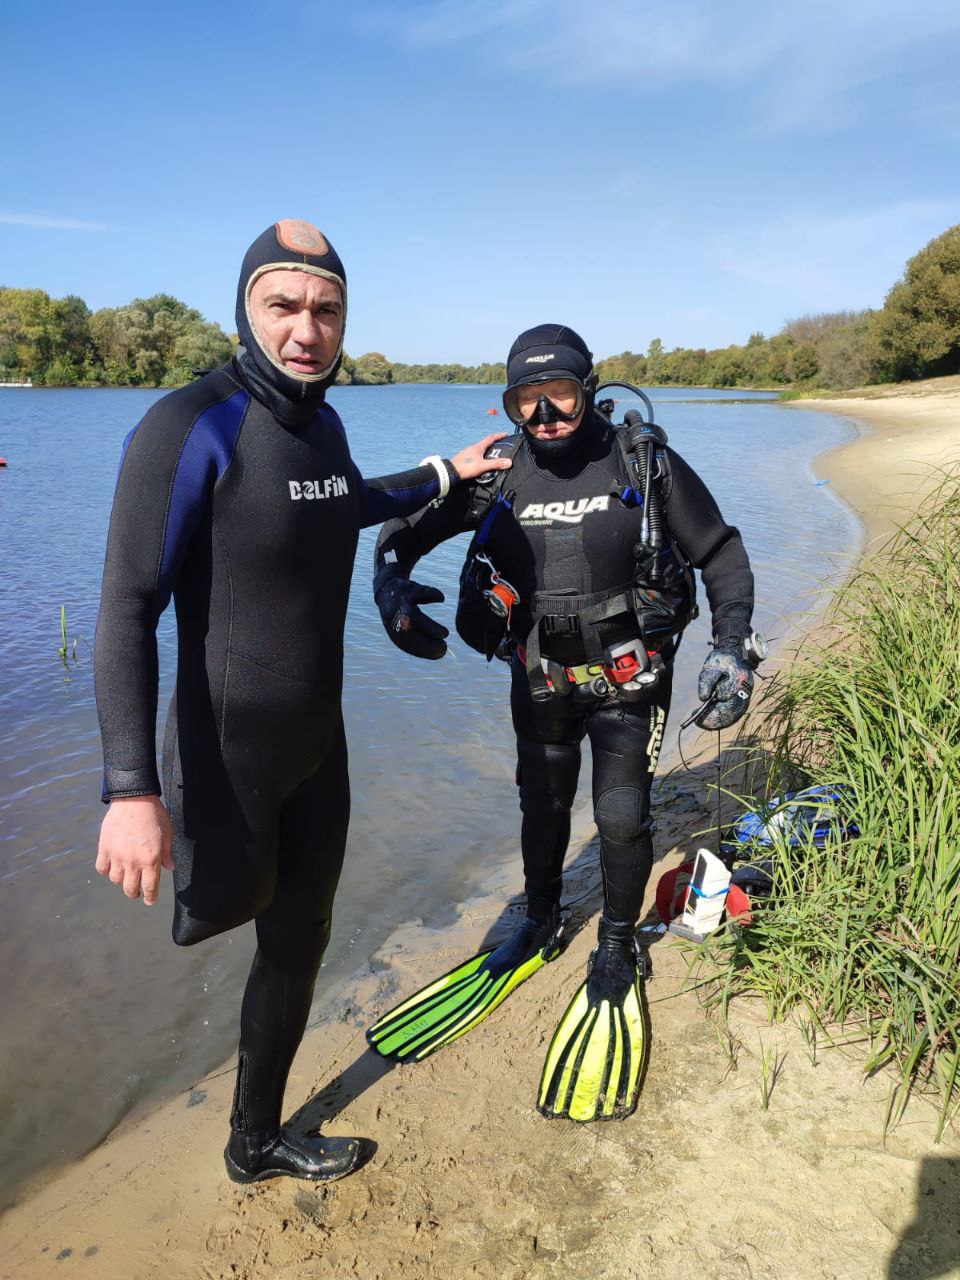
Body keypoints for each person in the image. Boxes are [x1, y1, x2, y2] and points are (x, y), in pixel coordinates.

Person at [93, 219, 510, 1183]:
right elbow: (124, 610)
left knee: (300, 938)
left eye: (326, 309)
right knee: (235, 926)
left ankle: (255, 1140)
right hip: (226, 752)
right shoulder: (188, 425)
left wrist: (447, 472)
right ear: (244, 309)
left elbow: (340, 498)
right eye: (283, 304)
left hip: (318, 746)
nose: (306, 329)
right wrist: (129, 790)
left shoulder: (322, 423)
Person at [366, 324, 758, 1122]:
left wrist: (730, 649)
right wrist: (391, 592)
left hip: (628, 679)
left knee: (620, 813)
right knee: (541, 805)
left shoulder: (641, 461)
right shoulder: (496, 475)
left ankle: (616, 942)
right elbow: (399, 532)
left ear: (590, 389)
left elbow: (721, 552)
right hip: (538, 676)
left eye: (562, 396)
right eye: (526, 399)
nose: (544, 414)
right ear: (506, 403)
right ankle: (540, 914)